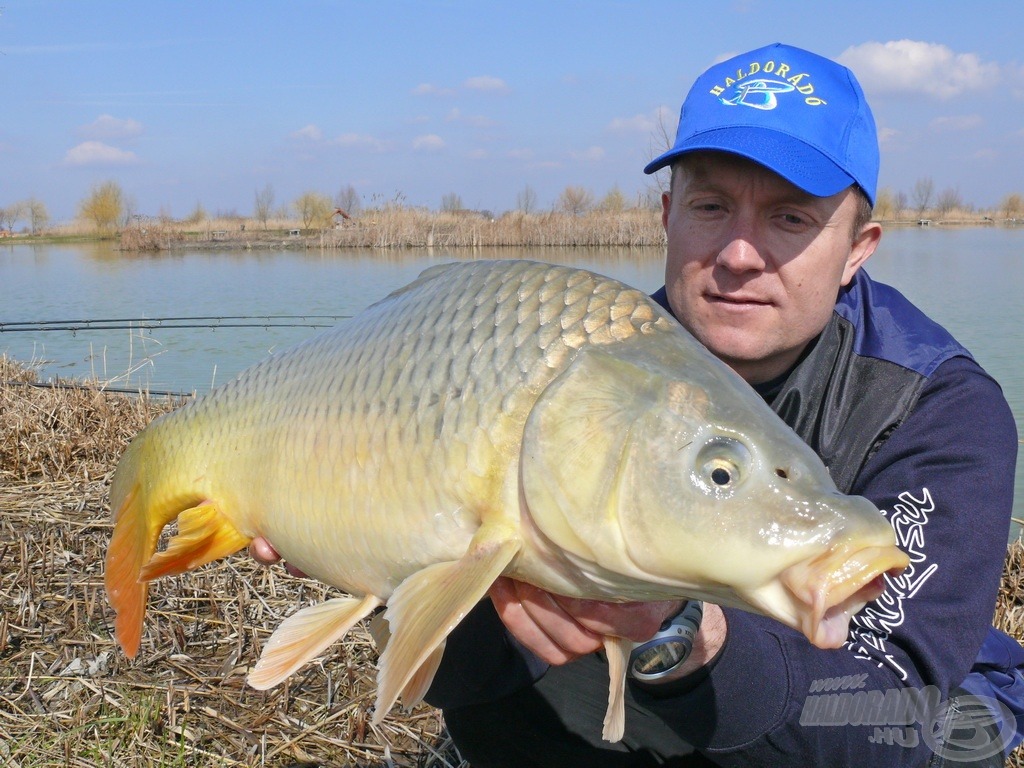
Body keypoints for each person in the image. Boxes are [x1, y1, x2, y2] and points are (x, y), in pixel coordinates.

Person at [251, 43, 1021, 767]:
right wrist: (364, 543)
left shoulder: (942, 411)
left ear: (859, 247)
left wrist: (679, 632)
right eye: (712, 207)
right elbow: (462, 678)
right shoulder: (565, 364)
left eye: (790, 217)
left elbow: (894, 713)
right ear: (667, 216)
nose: (739, 254)